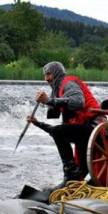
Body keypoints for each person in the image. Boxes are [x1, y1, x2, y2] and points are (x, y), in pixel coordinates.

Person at [26, 61, 102, 189]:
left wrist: (49, 101)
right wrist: (38, 123)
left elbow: (78, 102)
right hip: (83, 134)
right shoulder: (60, 94)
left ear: (57, 73)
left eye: (49, 74)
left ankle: (70, 174)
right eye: (45, 75)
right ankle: (73, 182)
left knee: (59, 131)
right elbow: (59, 131)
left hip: (95, 130)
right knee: (80, 173)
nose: (46, 78)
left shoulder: (69, 82)